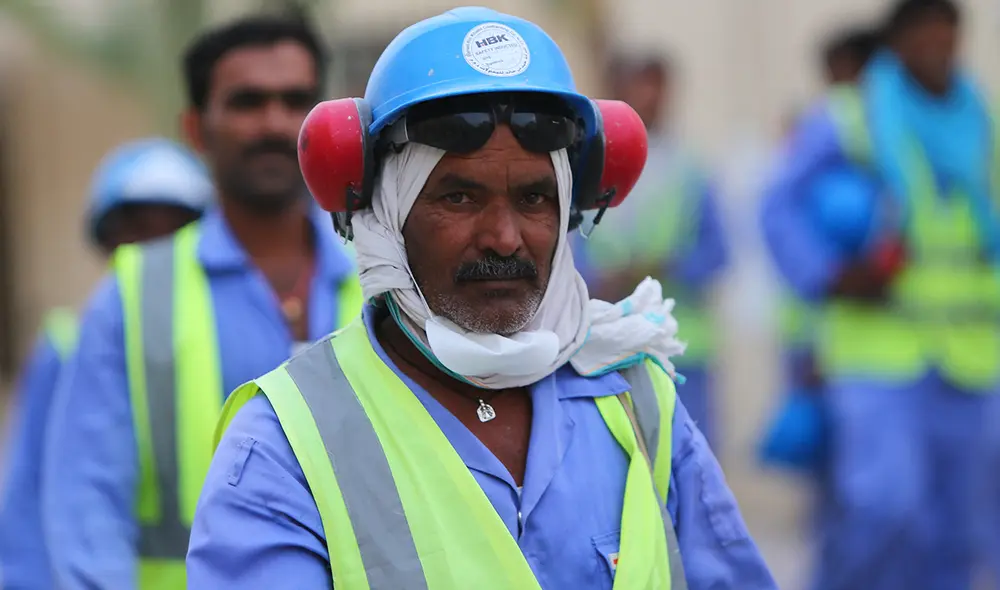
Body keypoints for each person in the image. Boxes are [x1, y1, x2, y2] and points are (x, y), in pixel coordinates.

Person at [187, 7, 777, 589]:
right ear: (388, 216)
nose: (504, 236)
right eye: (460, 198)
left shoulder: (640, 405)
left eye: (534, 198)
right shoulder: (285, 445)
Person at [42, 14, 363, 590]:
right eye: (247, 102)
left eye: (296, 100)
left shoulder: (385, 275)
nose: (274, 122)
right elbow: (87, 512)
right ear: (195, 128)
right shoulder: (135, 292)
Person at [760, 1, 1000, 588]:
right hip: (877, 351)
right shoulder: (849, 115)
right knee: (885, 508)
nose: (938, 50)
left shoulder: (978, 119)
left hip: (971, 355)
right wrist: (831, 275)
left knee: (960, 531)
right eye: (925, 38)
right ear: (896, 45)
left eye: (948, 38)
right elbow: (779, 207)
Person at [0, 138, 212, 590]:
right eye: (134, 233)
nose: (151, 254)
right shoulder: (66, 345)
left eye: (173, 232)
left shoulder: (221, 335)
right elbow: (28, 502)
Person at [572, 53, 729, 447]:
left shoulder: (691, 168)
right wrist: (597, 281)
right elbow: (568, 250)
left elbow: (718, 252)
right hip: (605, 343)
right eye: (638, 84)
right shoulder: (584, 167)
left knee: (686, 461)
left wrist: (669, 267)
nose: (649, 96)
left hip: (680, 344)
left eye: (656, 85)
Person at [759, 26, 880, 473]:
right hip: (827, 323)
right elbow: (779, 211)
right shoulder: (838, 120)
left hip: (833, 325)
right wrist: (829, 276)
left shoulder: (855, 119)